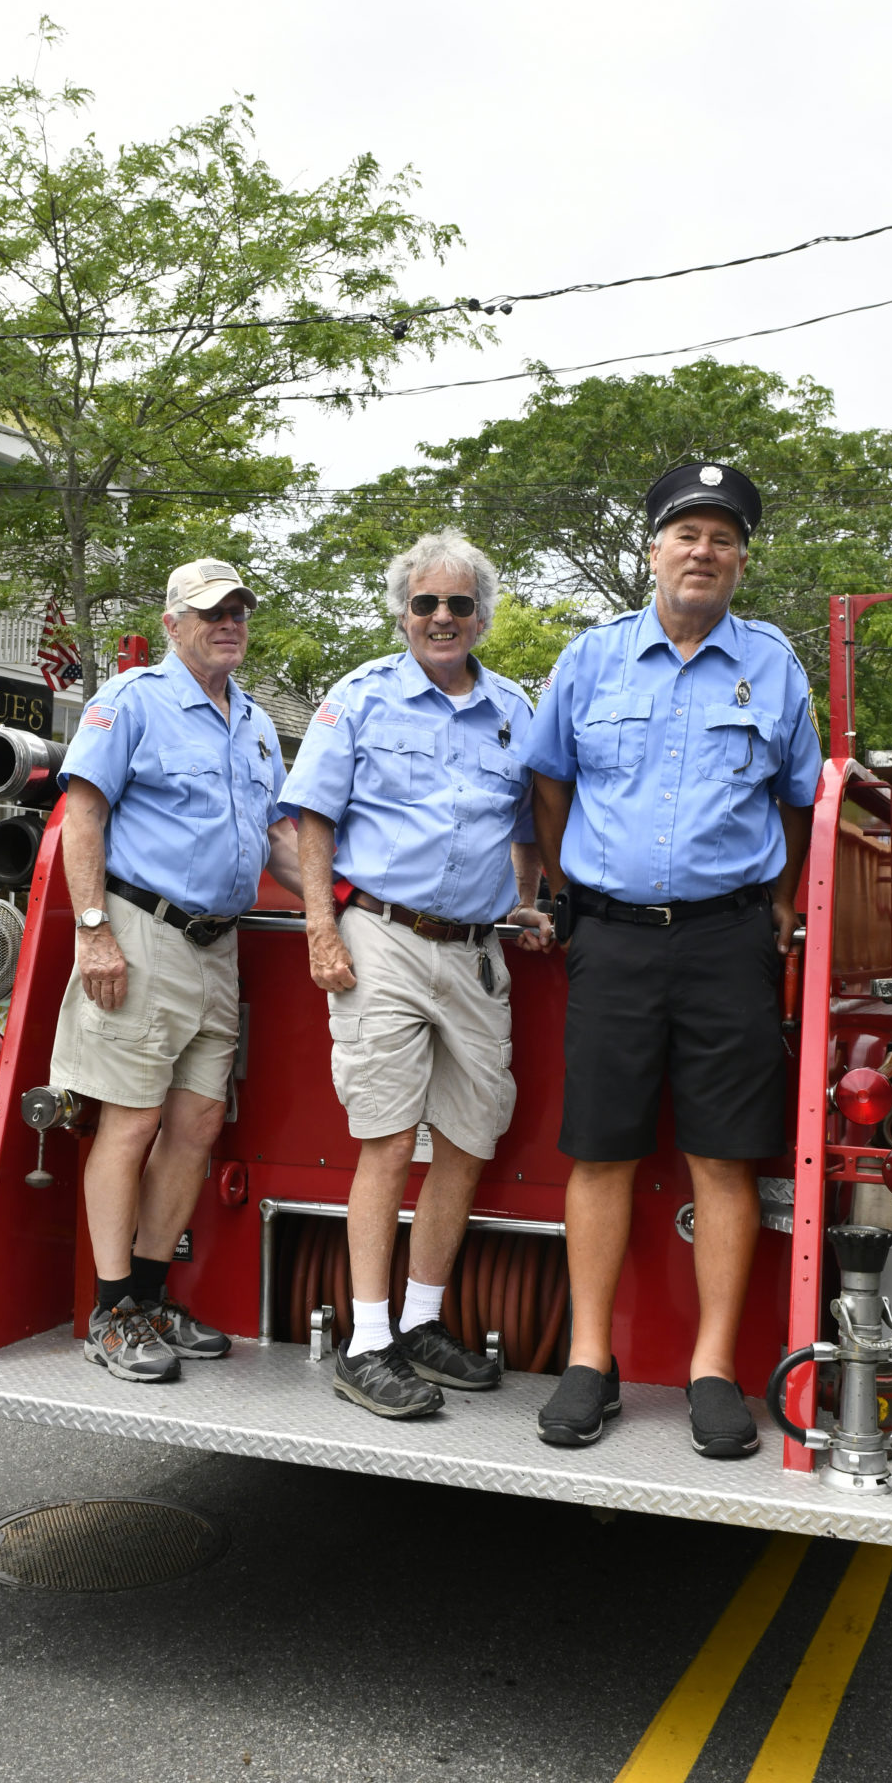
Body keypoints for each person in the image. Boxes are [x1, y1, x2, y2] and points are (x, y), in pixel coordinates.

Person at [525, 461, 821, 1459]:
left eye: (723, 538)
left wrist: (780, 902)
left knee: (723, 1158)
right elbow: (551, 783)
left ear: (742, 559)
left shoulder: (775, 668)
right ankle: (590, 1359)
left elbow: (797, 798)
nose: (704, 551)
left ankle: (711, 1369)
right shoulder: (592, 659)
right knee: (600, 1149)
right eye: (686, 534)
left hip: (727, 939)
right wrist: (569, 894)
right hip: (610, 936)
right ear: (652, 551)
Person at [285, 528, 554, 1420]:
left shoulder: (516, 710)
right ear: (403, 611)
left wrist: (524, 899)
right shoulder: (358, 697)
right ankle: (366, 1346)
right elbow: (310, 821)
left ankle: (421, 1322)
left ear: (481, 616)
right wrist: (322, 930)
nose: (441, 617)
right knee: (389, 1141)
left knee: (472, 1141)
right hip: (383, 941)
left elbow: (526, 824)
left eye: (458, 604)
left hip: (476, 950)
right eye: (424, 603)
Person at [51, 556, 303, 1383]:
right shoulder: (129, 702)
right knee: (129, 1124)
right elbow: (81, 815)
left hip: (216, 946)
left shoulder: (257, 723)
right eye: (208, 611)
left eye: (237, 609)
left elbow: (276, 841)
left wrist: (350, 903)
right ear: (171, 623)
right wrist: (94, 933)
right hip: (140, 933)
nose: (226, 621)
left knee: (193, 1128)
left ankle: (151, 1296)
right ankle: (110, 1311)